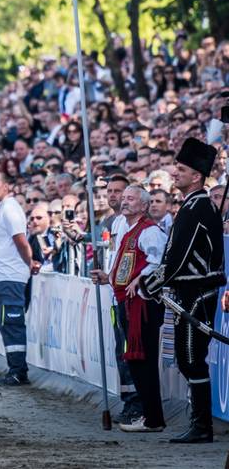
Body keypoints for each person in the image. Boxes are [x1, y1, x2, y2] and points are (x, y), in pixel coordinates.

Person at [142, 137, 226, 443]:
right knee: (186, 356)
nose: (174, 173)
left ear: (197, 176)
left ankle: (202, 426)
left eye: (181, 168)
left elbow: (178, 256)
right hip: (189, 293)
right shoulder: (192, 206)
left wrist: (152, 282)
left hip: (198, 294)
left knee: (191, 357)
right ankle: (199, 422)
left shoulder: (198, 207)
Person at [92, 185, 167, 433]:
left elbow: (160, 263)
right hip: (126, 301)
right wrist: (108, 277)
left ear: (144, 205)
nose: (124, 202)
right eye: (123, 198)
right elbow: (126, 267)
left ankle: (152, 417)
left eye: (131, 199)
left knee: (142, 360)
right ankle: (149, 415)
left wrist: (142, 279)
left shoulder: (150, 232)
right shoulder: (129, 232)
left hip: (142, 305)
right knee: (135, 361)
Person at [0, 169, 34, 387]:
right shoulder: (3, 209)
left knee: (12, 322)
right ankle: (15, 369)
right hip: (5, 276)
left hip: (11, 276)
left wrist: (29, 262)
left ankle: (18, 372)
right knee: (8, 322)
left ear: (7, 186)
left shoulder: (10, 209)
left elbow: (21, 240)